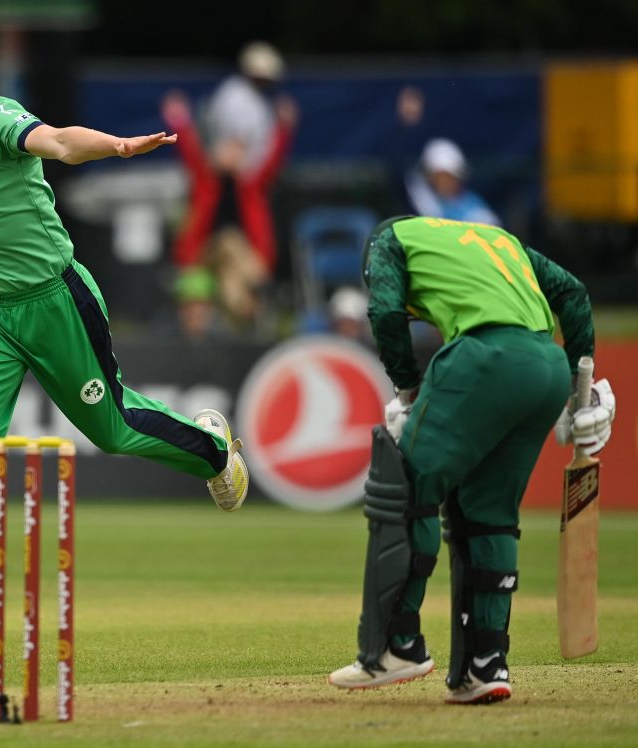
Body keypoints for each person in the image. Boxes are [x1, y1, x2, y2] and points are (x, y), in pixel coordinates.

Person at [0, 25, 250, 646]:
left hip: (54, 301)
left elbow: (61, 142)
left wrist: (117, 147)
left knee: (113, 430)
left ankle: (212, 450)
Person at [328, 216, 615, 704]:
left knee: (406, 487)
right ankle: (485, 665)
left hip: (484, 357)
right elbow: (573, 293)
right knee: (488, 513)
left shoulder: (387, 241)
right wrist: (577, 387)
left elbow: (385, 310)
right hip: (545, 367)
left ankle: (396, 646)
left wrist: (407, 388)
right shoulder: (496, 239)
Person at [161, 42, 297, 325]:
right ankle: (240, 321)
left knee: (233, 273)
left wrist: (284, 129)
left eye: (237, 148)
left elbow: (272, 161)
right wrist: (178, 119)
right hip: (204, 255)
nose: (231, 152)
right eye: (227, 146)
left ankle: (241, 322)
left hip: (239, 262)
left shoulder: (250, 184)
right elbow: (188, 150)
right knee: (226, 249)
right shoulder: (207, 179)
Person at [405, 138, 500, 225]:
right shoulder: (420, 201)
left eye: (449, 176)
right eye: (439, 177)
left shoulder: (474, 206)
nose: (445, 182)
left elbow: (491, 225)